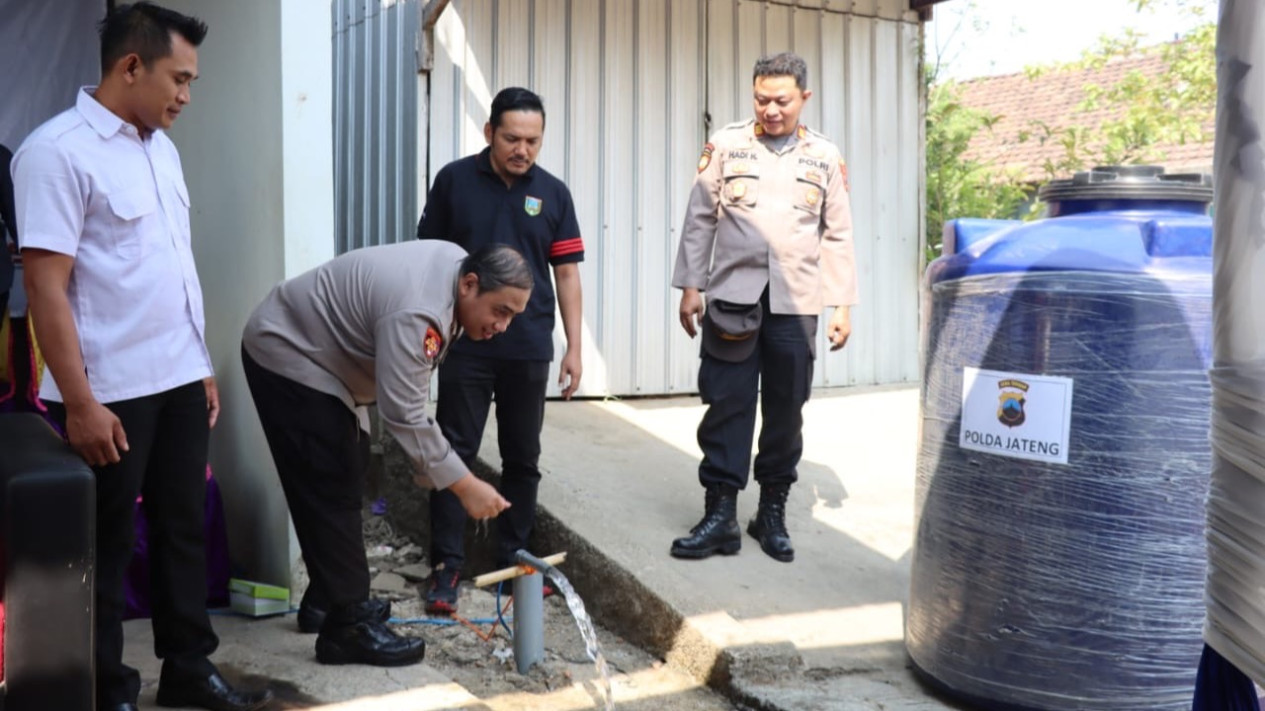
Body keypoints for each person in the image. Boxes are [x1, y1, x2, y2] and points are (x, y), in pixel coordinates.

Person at [13, 4, 272, 710]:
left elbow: (171, 267)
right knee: (105, 541)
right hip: (109, 388)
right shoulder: (56, 153)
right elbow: (46, 289)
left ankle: (188, 668)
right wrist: (81, 403)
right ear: (131, 66)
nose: (186, 95)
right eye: (178, 79)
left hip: (177, 377)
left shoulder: (161, 148)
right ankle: (107, 687)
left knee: (182, 527)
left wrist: (199, 364)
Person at [240, 240, 522, 666]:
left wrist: (433, 467)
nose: (503, 326)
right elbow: (404, 412)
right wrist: (465, 486)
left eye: (513, 316)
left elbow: (406, 392)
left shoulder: (454, 271)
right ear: (470, 284)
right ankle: (347, 627)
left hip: (327, 362)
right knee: (331, 478)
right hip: (289, 350)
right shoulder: (419, 310)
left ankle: (328, 597)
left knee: (349, 464)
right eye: (500, 311)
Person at [669, 51, 858, 564]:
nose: (770, 110)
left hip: (796, 302)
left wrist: (841, 305)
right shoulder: (727, 144)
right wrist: (690, 286)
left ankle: (770, 513)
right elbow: (700, 217)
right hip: (733, 295)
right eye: (761, 99)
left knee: (786, 408)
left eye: (781, 101)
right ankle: (720, 516)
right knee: (727, 404)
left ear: (804, 98)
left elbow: (837, 233)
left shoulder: (824, 156)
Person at [416, 86, 584, 614]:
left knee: (522, 456)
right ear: (489, 132)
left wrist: (574, 347)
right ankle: (446, 565)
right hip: (465, 342)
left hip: (528, 345)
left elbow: (567, 273)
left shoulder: (553, 194)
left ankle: (513, 561)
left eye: (533, 140)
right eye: (512, 138)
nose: (522, 150)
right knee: (453, 448)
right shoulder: (454, 181)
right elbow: (429, 258)